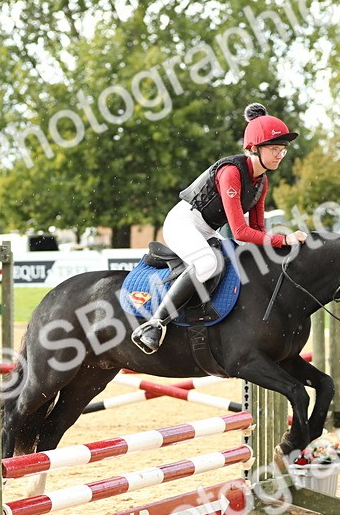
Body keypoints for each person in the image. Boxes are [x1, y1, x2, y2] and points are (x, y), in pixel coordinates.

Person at [131, 103, 307, 354]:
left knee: (236, 260)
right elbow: (240, 232)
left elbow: (256, 229)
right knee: (207, 265)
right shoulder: (231, 172)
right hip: (183, 222)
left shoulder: (262, 182)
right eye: (275, 149)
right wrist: (285, 239)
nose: (280, 155)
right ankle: (155, 324)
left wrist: (279, 250)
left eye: (283, 150)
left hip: (206, 228)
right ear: (254, 148)